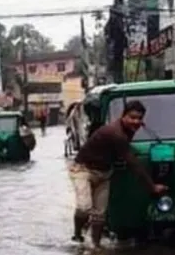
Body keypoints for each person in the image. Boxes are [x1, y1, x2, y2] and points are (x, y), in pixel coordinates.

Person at [69, 100, 168, 246]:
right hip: (83, 170)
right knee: (84, 207)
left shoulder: (128, 131)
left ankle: (96, 246)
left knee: (100, 216)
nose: (136, 121)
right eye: (132, 117)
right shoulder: (116, 133)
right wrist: (152, 187)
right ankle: (77, 236)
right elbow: (133, 163)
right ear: (123, 116)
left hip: (104, 173)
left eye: (139, 119)